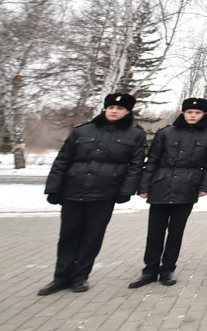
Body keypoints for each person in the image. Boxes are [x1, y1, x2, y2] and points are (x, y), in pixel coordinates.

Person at [39, 93, 146, 295]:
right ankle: (60, 277)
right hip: (73, 190)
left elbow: (135, 165)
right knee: (68, 235)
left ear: (127, 112)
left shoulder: (135, 134)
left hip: (104, 193)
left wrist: (125, 191)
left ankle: (80, 277)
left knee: (92, 236)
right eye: (111, 107)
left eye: (120, 108)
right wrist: (53, 188)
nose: (114, 111)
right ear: (105, 108)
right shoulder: (82, 130)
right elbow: (62, 160)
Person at [129, 98, 207, 288]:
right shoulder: (166, 133)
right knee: (155, 232)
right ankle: (149, 270)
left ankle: (168, 269)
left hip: (187, 187)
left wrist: (205, 186)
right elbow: (152, 160)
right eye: (189, 112)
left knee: (176, 233)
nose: (193, 116)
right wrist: (144, 186)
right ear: (183, 113)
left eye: (197, 113)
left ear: (204, 114)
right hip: (161, 185)